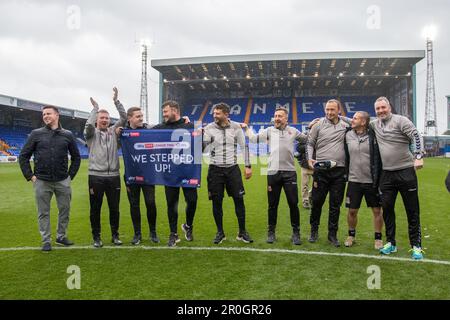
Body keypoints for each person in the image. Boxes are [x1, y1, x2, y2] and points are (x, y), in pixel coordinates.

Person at [19, 105, 81, 252]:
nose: (46, 116)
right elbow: (23, 156)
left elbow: (76, 157)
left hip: (62, 180)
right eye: (44, 114)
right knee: (43, 212)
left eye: (49, 113)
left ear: (57, 115)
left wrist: (70, 176)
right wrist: (30, 176)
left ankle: (61, 236)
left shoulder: (68, 135)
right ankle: (46, 240)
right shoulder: (36, 134)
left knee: (64, 210)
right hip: (42, 181)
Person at [242, 107, 307, 245]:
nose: (277, 118)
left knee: (293, 204)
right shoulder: (269, 131)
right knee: (272, 205)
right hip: (273, 173)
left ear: (286, 119)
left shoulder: (293, 131)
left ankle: (296, 233)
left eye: (280, 116)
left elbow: (307, 140)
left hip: (289, 172)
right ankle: (271, 232)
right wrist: (247, 128)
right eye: (275, 115)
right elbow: (253, 139)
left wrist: (313, 126)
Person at [371, 96, 425, 260]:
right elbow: (356, 119)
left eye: (383, 108)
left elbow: (416, 135)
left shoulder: (401, 121)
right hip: (387, 174)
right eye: (378, 109)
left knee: (412, 210)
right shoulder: (374, 124)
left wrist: (418, 155)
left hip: (406, 171)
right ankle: (391, 243)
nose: (381, 111)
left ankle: (416, 246)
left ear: (389, 108)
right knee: (387, 209)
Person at [203, 102, 253, 244]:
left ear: (226, 114)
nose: (214, 115)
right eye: (214, 113)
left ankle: (242, 232)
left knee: (239, 200)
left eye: (217, 113)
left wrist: (248, 166)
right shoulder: (208, 128)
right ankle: (220, 232)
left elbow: (244, 147)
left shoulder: (236, 127)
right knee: (216, 202)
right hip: (215, 169)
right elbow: (203, 149)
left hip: (232, 169)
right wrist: (200, 138)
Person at [84, 87, 127, 248]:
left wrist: (116, 101)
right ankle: (97, 237)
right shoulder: (91, 133)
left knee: (114, 208)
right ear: (97, 119)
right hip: (96, 177)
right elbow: (88, 124)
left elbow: (123, 117)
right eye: (101, 118)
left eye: (107, 118)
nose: (104, 120)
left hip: (113, 176)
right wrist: (94, 109)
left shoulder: (114, 132)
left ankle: (115, 235)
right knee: (95, 209)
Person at [152, 100, 198, 247]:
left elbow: (200, 147)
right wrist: (125, 130)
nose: (163, 114)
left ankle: (188, 226)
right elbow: (142, 133)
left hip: (188, 171)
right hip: (169, 172)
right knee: (172, 203)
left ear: (175, 110)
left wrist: (199, 135)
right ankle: (173, 233)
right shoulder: (160, 128)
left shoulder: (189, 126)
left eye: (165, 111)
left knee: (192, 200)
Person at [306, 99, 350, 247]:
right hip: (321, 171)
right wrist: (310, 159)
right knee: (317, 202)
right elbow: (310, 143)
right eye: (327, 109)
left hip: (339, 171)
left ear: (339, 110)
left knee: (335, 205)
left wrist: (343, 118)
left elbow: (360, 122)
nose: (329, 112)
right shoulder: (318, 125)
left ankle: (332, 234)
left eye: (332, 110)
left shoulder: (346, 125)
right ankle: (314, 231)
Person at [343, 111, 383, 250]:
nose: (352, 121)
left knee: (377, 211)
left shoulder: (374, 135)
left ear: (364, 122)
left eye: (355, 118)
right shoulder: (347, 134)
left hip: (371, 181)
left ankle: (378, 238)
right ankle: (351, 236)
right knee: (352, 211)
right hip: (354, 180)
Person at [121, 106, 160, 245]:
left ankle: (153, 232)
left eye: (141, 116)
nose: (141, 118)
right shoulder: (123, 132)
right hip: (131, 176)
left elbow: (167, 128)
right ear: (129, 118)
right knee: (134, 205)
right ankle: (137, 234)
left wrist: (183, 121)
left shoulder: (150, 129)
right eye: (138, 116)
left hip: (148, 174)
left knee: (150, 203)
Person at [296, 130, 314, 209]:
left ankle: (310, 195)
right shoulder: (305, 137)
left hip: (315, 166)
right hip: (305, 166)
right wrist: (309, 145)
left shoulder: (319, 138)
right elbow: (299, 148)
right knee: (304, 185)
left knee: (318, 185)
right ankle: (305, 201)